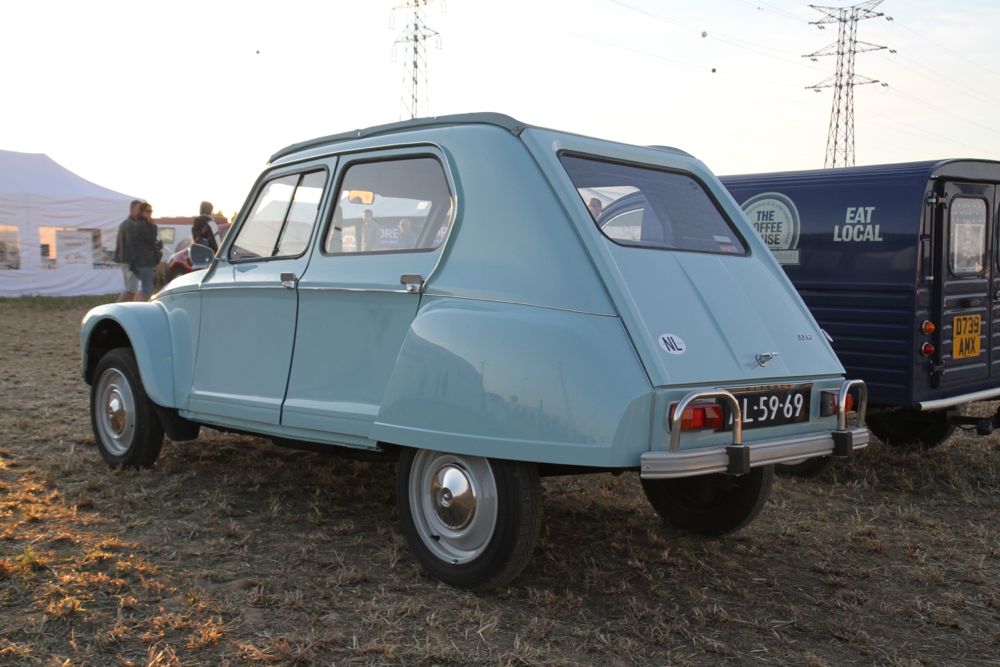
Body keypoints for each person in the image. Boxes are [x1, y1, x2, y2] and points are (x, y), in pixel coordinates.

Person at [126, 202, 162, 301]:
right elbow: (151, 239)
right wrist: (153, 225)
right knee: (147, 290)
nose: (150, 213)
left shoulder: (140, 224)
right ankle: (138, 307)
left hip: (142, 261)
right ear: (142, 212)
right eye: (148, 211)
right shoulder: (141, 224)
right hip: (144, 261)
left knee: (144, 288)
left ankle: (135, 306)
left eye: (151, 211)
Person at [114, 200, 142, 302]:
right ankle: (116, 308)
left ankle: (126, 308)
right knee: (130, 290)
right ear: (132, 209)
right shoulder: (129, 224)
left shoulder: (129, 223)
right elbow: (132, 245)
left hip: (128, 260)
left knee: (132, 289)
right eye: (139, 209)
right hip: (130, 261)